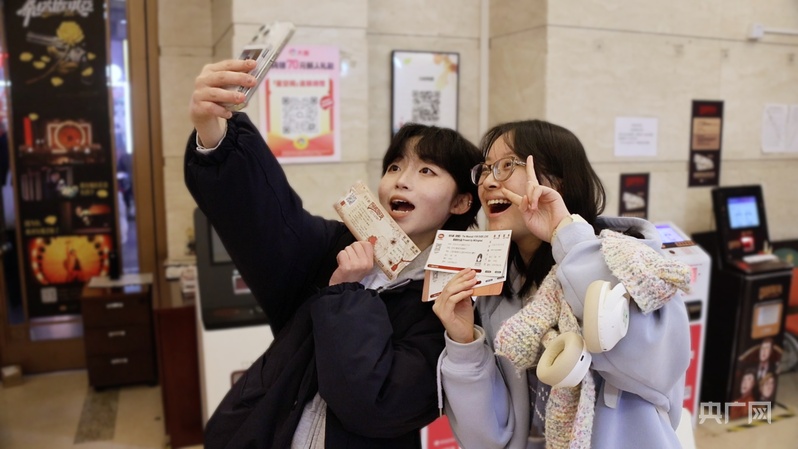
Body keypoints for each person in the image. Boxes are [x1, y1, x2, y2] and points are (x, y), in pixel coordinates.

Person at [184, 57, 483, 448]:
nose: (401, 181)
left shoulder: (451, 300)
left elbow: (375, 403)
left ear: (461, 202)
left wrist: (344, 293)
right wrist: (213, 132)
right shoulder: (334, 246)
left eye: (426, 171)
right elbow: (268, 218)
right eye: (394, 167)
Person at [432, 120, 691, 449]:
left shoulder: (631, 262)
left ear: (557, 182)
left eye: (507, 165)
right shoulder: (496, 288)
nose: (488, 182)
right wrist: (465, 342)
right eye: (485, 169)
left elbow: (653, 370)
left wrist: (567, 236)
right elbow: (488, 439)